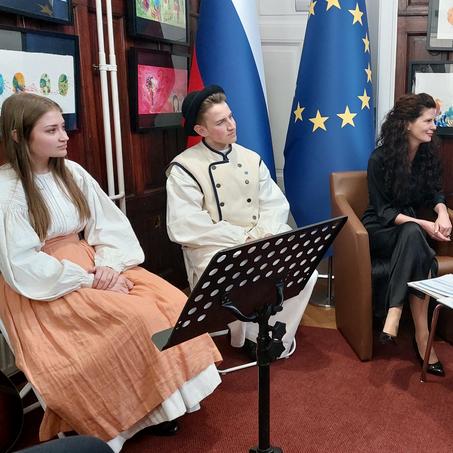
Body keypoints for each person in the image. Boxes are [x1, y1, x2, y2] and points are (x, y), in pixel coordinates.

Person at [0, 92, 222, 452]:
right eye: (51, 130)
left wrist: (108, 265)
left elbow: (108, 223)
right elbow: (23, 264)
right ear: (18, 136)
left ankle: (165, 402)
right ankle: (132, 415)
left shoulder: (71, 172)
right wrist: (88, 279)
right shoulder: (6, 190)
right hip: (44, 284)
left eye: (63, 127)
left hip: (91, 262)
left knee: (171, 301)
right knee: (135, 319)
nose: (64, 136)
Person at [166, 85, 318, 355]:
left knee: (306, 273)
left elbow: (274, 204)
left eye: (231, 116)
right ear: (200, 130)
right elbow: (185, 224)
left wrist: (262, 234)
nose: (232, 125)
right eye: (220, 122)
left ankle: (272, 339)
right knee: (242, 277)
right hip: (215, 247)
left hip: (260, 238)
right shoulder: (184, 167)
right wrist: (241, 238)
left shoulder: (251, 158)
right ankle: (247, 336)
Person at [362, 92, 452, 376]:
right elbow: (383, 211)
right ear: (406, 123)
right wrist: (424, 224)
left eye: (434, 120)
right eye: (428, 121)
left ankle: (396, 314)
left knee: (414, 237)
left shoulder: (427, 156)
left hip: (409, 232)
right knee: (415, 234)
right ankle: (420, 336)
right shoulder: (379, 159)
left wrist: (441, 212)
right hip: (380, 230)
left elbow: (435, 192)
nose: (434, 126)